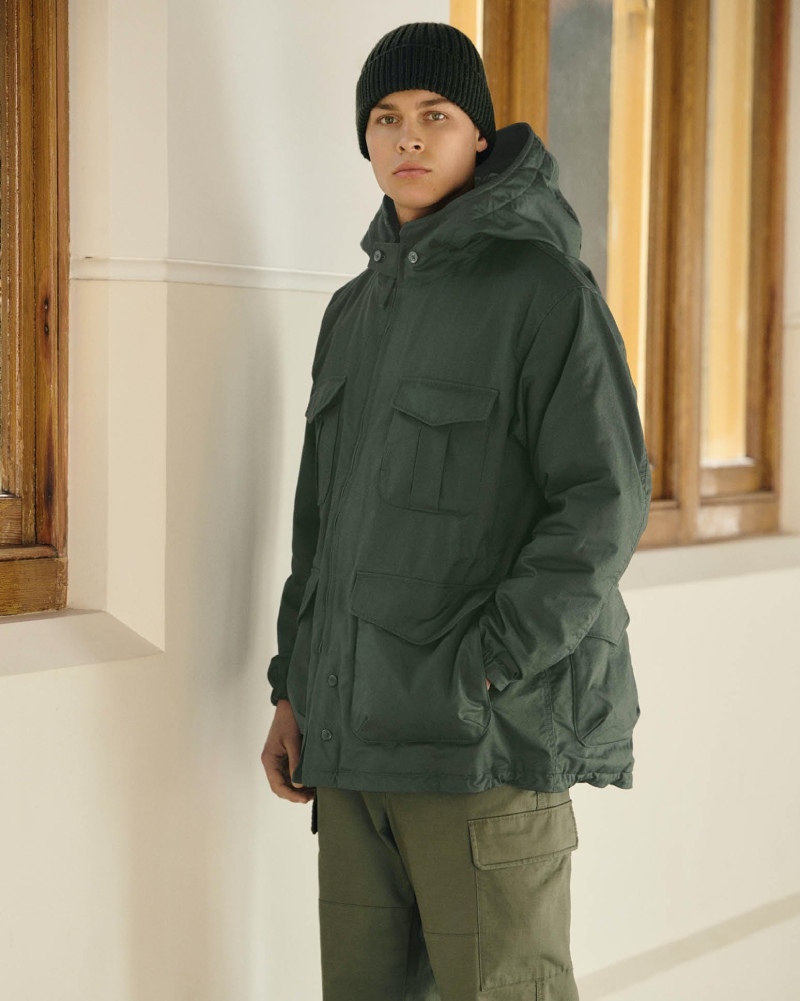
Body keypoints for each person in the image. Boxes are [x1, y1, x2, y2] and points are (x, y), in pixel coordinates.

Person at [261, 20, 652, 1001]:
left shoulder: (541, 291)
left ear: (478, 133)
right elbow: (320, 525)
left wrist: (487, 664)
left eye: (434, 115)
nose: (407, 137)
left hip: (482, 745)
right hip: (351, 749)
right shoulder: (352, 312)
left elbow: (604, 501)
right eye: (386, 118)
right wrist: (294, 686)